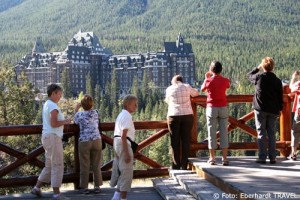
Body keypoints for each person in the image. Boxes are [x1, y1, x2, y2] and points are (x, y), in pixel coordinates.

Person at [31, 84, 71, 199]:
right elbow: (54, 124)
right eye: (59, 94)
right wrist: (65, 121)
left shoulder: (47, 104)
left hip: (47, 137)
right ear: (53, 93)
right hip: (53, 137)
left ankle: (37, 188)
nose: (60, 96)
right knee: (57, 164)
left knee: (49, 165)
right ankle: (57, 194)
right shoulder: (53, 106)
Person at [247, 57, 283, 164]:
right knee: (272, 133)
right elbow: (280, 97)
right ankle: (273, 157)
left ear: (263, 66)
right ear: (273, 67)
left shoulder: (259, 77)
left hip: (260, 109)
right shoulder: (277, 81)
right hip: (273, 110)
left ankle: (262, 157)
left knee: (261, 133)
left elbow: (249, 76)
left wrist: (257, 68)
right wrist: (280, 109)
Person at [165, 75, 199, 170]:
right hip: (187, 115)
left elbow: (167, 100)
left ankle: (176, 165)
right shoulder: (187, 86)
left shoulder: (169, 89)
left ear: (174, 81)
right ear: (181, 81)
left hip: (173, 115)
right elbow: (195, 93)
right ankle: (184, 164)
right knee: (186, 140)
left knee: (174, 141)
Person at [201, 61, 230, 165]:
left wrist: (206, 77)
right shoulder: (225, 80)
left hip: (211, 108)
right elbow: (228, 86)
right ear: (221, 69)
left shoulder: (208, 80)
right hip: (223, 107)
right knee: (224, 132)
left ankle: (212, 158)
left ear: (211, 70)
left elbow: (202, 89)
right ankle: (224, 158)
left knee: (211, 132)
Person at [110, 94, 138, 200]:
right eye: (134, 104)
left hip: (117, 143)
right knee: (126, 171)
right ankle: (123, 198)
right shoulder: (127, 116)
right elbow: (123, 135)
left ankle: (116, 196)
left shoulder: (121, 114)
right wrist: (126, 153)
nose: (136, 106)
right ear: (128, 104)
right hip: (123, 144)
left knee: (120, 169)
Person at [74, 94, 103, 194]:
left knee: (84, 165)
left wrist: (76, 109)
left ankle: (84, 187)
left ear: (82, 105)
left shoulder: (79, 115)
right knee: (96, 164)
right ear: (92, 104)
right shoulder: (96, 112)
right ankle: (97, 186)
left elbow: (75, 121)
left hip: (84, 141)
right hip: (96, 140)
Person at [289, 71, 300, 161]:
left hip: (299, 112)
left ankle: (294, 153)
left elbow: (291, 87)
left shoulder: (299, 84)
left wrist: (293, 78)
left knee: (295, 132)